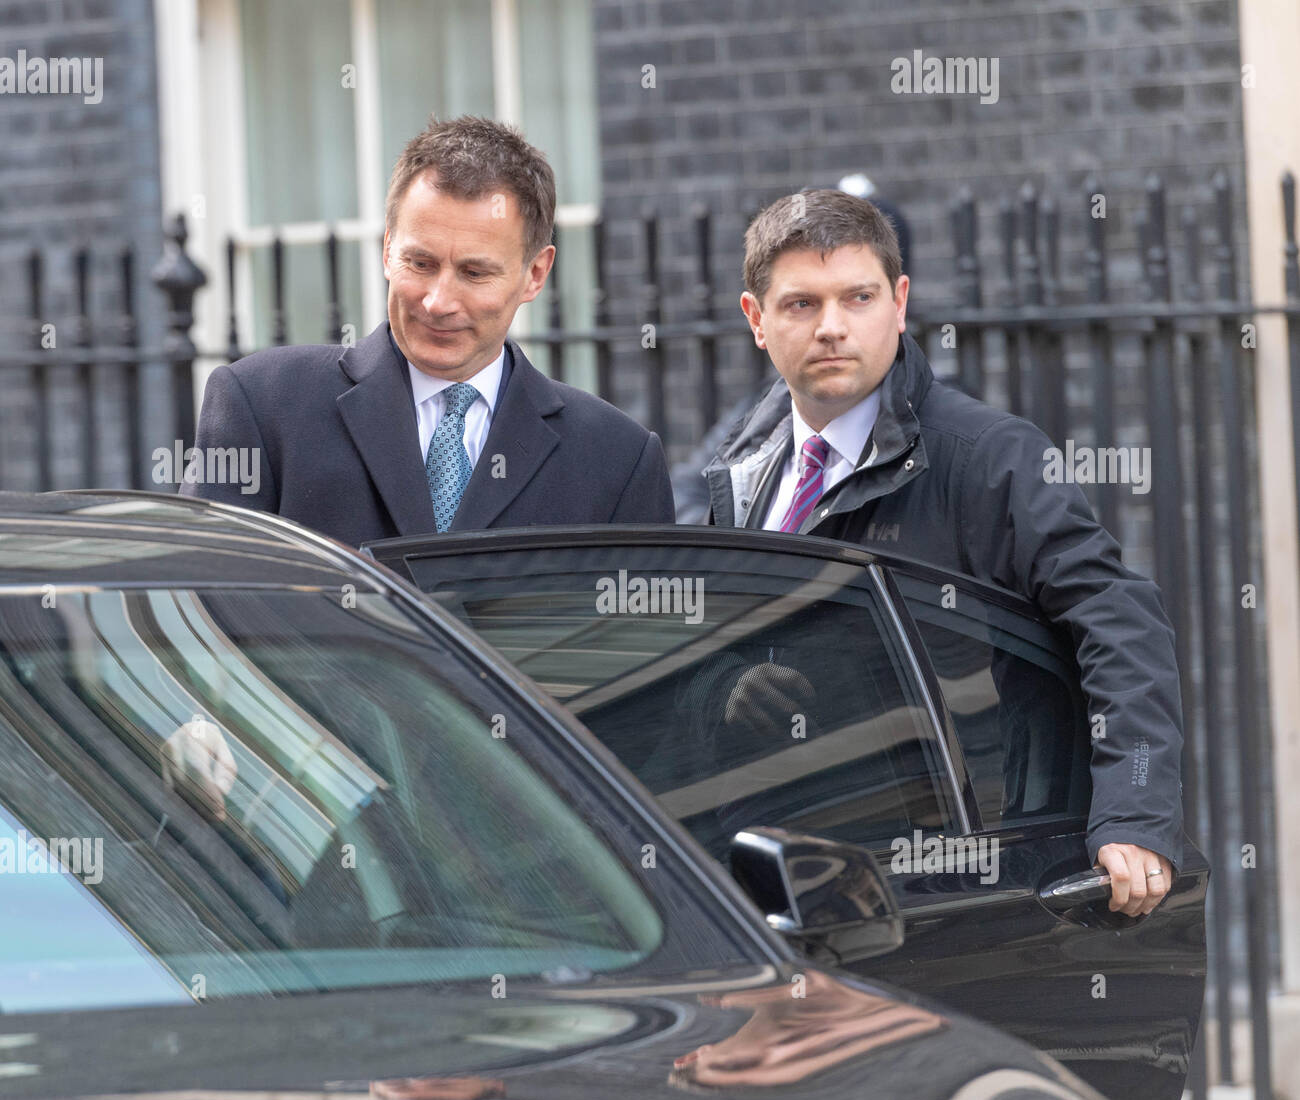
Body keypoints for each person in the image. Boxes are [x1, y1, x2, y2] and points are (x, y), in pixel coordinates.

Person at [703, 188, 1183, 918]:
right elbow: (705, 652)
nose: (832, 327)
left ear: (899, 302)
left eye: (857, 298)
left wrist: (1137, 814)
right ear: (756, 320)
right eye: (802, 304)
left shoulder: (987, 457)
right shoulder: (740, 471)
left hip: (948, 888)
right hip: (772, 889)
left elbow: (1119, 619)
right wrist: (728, 686)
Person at [182, 115, 674, 548]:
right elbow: (198, 613)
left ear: (535, 275)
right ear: (386, 249)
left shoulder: (618, 460)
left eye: (475, 273)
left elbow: (645, 646)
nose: (438, 302)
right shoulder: (263, 407)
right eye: (420, 262)